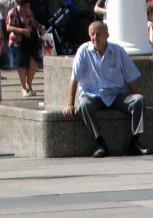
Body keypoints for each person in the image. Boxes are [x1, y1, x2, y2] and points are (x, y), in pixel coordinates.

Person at [62, 21, 147, 158]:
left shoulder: (118, 51)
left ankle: (135, 141)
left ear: (107, 35)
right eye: (92, 34)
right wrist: (69, 104)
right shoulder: (83, 51)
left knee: (139, 100)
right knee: (84, 105)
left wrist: (135, 96)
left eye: (98, 34)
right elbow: (74, 79)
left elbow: (130, 77)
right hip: (92, 94)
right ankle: (100, 142)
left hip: (116, 94)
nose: (95, 37)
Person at [6, 0, 43, 96]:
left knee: (34, 62)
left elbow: (34, 23)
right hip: (17, 41)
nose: (27, 9)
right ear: (19, 5)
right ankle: (24, 87)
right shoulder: (12, 12)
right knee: (21, 65)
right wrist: (21, 31)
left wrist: (41, 27)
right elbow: (8, 27)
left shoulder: (29, 12)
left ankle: (29, 83)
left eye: (28, 6)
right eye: (25, 6)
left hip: (30, 41)